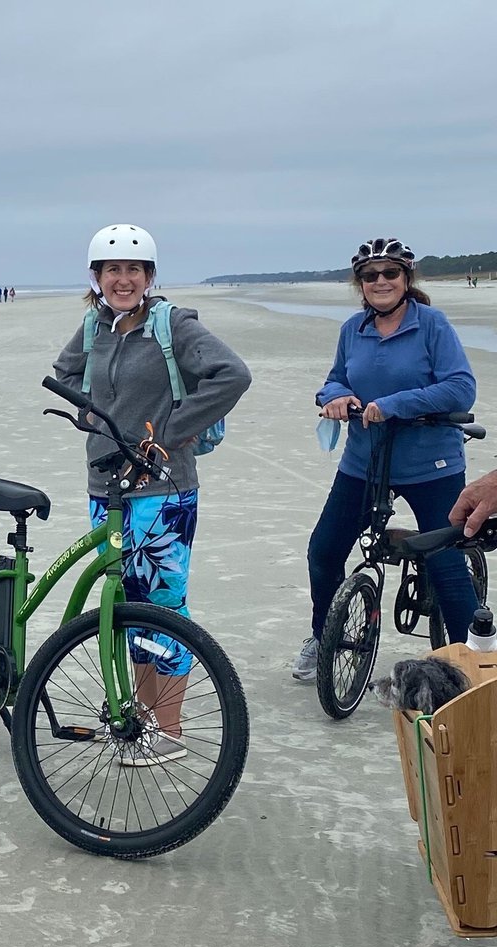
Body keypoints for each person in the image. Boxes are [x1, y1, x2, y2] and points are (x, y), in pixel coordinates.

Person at [52, 223, 251, 764]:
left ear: (149, 276)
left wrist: (170, 431)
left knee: (163, 607)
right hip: (105, 485)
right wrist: (89, 415)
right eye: (112, 270)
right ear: (96, 278)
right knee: (126, 605)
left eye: (133, 270)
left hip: (164, 487)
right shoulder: (95, 326)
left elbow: (232, 376)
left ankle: (169, 730)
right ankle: (139, 720)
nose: (123, 279)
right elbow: (65, 371)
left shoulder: (173, 325)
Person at [292, 237, 477, 681]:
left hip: (431, 463)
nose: (380, 281)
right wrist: (335, 397)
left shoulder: (432, 324)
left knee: (446, 563)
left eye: (390, 273)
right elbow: (334, 380)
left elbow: (461, 387)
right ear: (360, 284)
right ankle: (325, 635)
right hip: (364, 460)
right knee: (324, 550)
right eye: (370, 275)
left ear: (406, 279)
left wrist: (396, 403)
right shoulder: (352, 330)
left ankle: (475, 664)